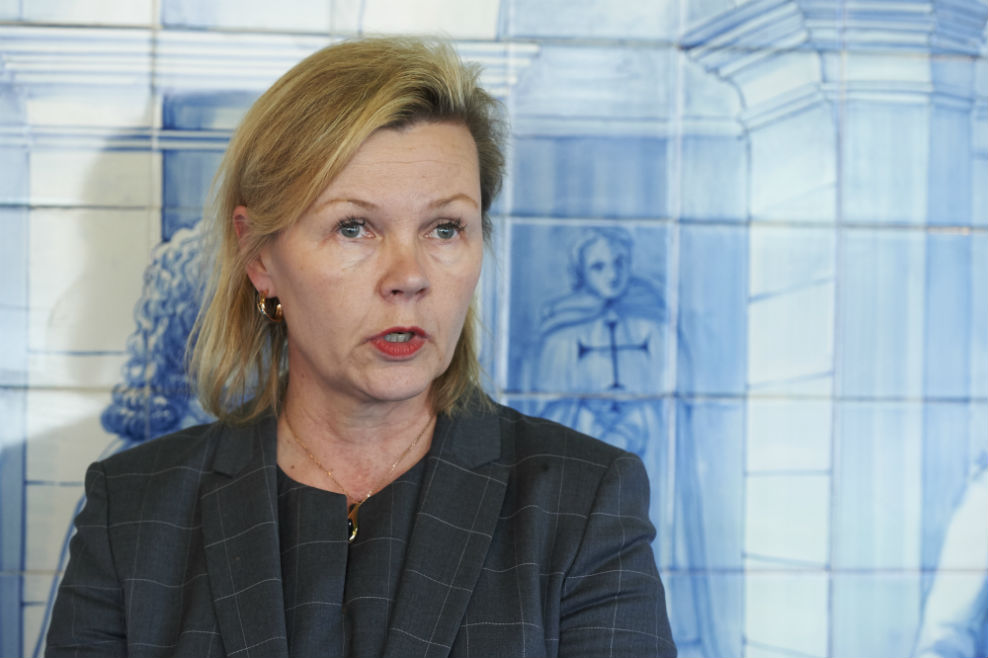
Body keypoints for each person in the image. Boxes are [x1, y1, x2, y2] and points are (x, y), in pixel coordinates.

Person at [45, 36, 676, 658]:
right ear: (258, 256)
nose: (409, 276)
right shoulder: (132, 512)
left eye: (445, 228)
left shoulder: (582, 503)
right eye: (354, 227)